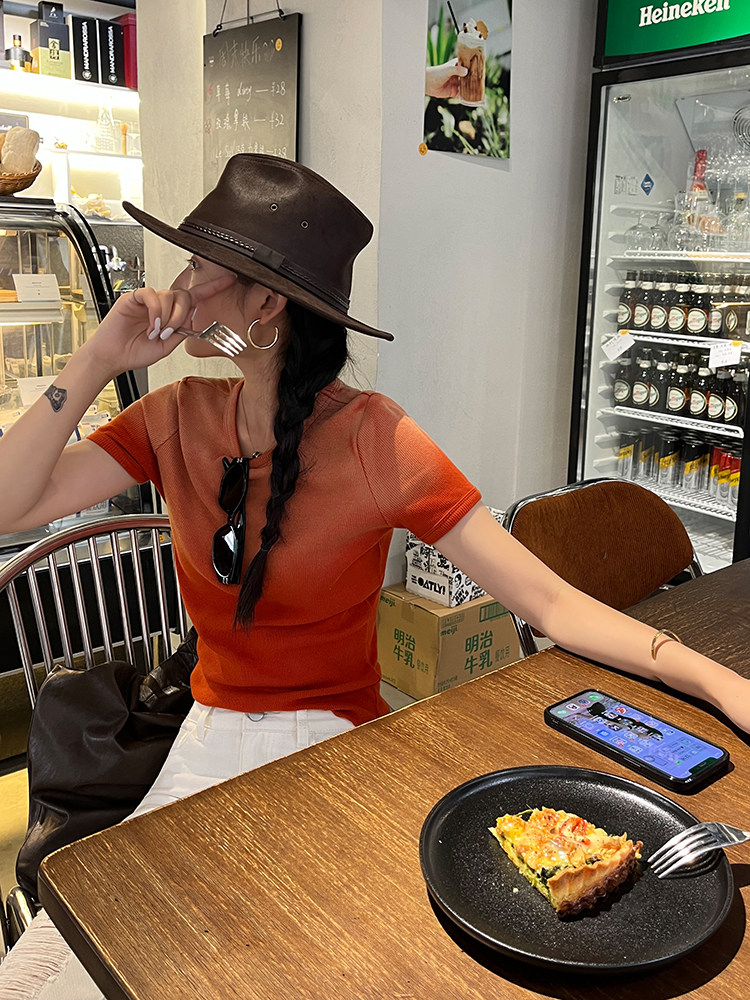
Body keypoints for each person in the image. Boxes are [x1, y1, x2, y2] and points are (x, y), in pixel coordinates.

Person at [0, 153, 748, 998]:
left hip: (337, 746)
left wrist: (719, 683)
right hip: (207, 738)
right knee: (60, 976)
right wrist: (99, 356)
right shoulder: (174, 416)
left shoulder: (376, 439)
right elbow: (9, 502)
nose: (178, 286)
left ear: (265, 302)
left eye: (200, 266)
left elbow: (550, 603)